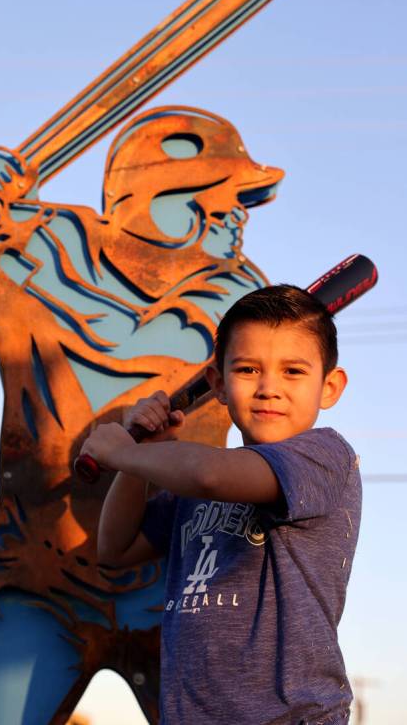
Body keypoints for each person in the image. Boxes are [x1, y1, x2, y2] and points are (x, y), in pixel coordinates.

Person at [80, 284, 361, 725]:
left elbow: (209, 475)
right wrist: (139, 460)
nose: (269, 388)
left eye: (293, 371)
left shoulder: (323, 456)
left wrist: (123, 451)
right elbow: (115, 548)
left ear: (329, 387)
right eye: (248, 369)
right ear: (219, 384)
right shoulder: (197, 485)